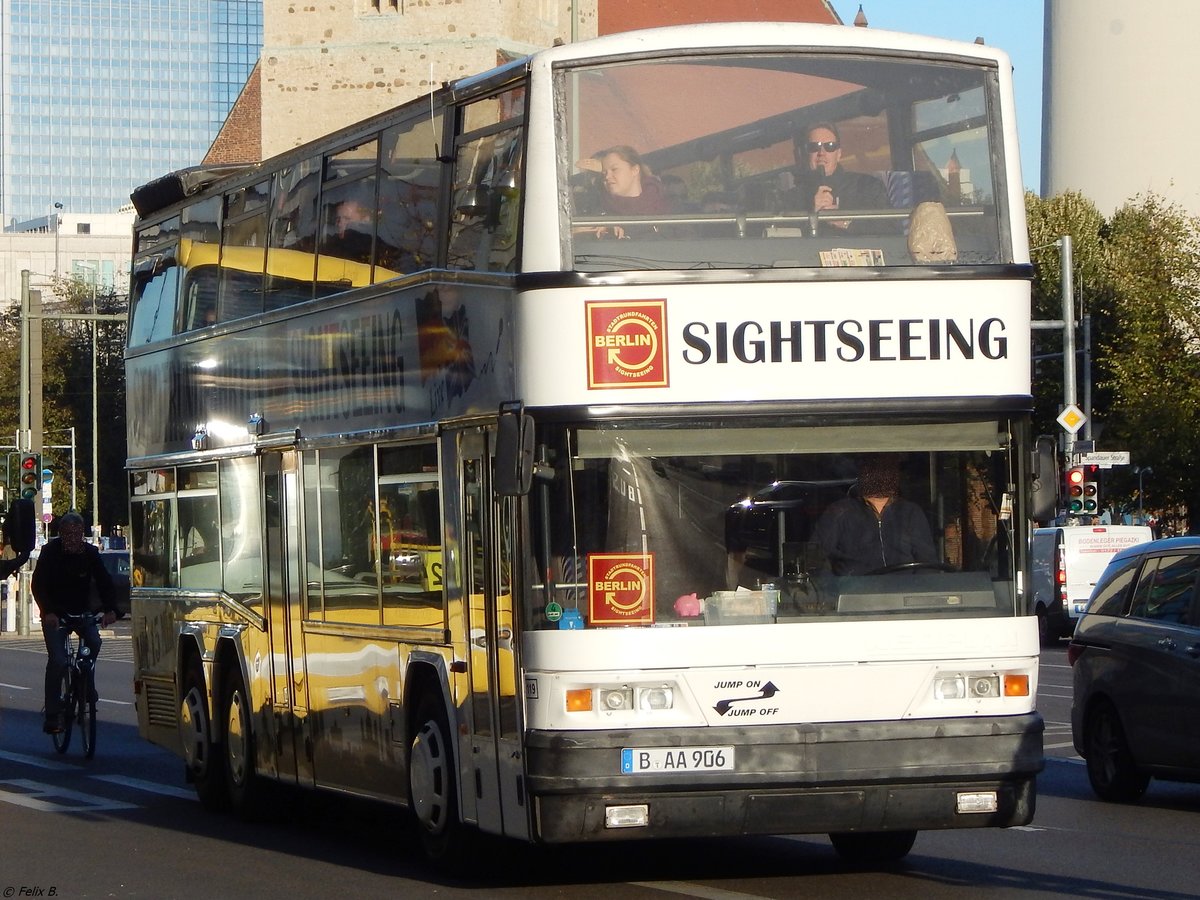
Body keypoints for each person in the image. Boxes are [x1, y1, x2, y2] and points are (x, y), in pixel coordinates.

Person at [33, 512, 118, 734]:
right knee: (58, 660)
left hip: (82, 612)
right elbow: (39, 585)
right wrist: (48, 611)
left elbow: (104, 582)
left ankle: (84, 682)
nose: (72, 539)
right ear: (60, 534)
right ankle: (52, 714)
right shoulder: (50, 552)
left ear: (82, 534)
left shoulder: (90, 553)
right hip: (56, 614)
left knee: (94, 642)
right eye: (67, 534)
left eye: (77, 534)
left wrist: (110, 610)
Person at [813, 455, 939, 576]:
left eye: (887, 470)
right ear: (862, 475)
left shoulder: (911, 512)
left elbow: (928, 564)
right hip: (854, 592)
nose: (880, 475)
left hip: (903, 591)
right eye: (872, 469)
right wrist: (834, 590)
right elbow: (816, 559)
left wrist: (916, 590)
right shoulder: (839, 512)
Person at [789, 122, 891, 232]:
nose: (821, 152)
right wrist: (811, 213)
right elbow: (779, 234)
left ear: (839, 154)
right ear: (805, 154)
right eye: (814, 147)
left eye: (830, 146)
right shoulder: (792, 197)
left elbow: (892, 228)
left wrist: (844, 222)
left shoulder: (867, 186)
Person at [575, 145, 670, 238]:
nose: (607, 177)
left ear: (635, 170)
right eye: (604, 173)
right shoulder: (596, 215)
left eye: (614, 169)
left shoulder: (669, 208)